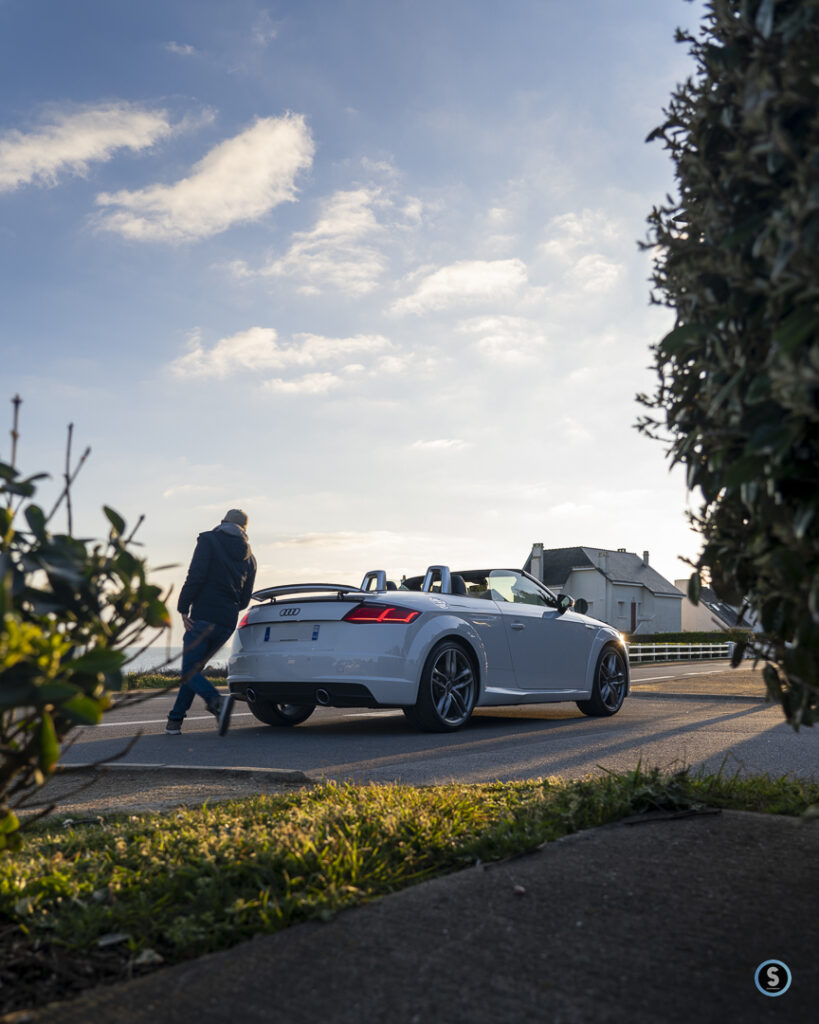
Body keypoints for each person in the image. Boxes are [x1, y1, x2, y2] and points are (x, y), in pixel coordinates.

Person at [165, 509, 257, 736]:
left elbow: (195, 574)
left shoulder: (209, 540)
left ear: (223, 522)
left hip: (203, 616)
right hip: (226, 622)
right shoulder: (251, 558)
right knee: (193, 669)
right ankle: (174, 721)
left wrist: (182, 607)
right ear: (244, 530)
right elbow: (245, 599)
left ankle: (217, 701)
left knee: (189, 671)